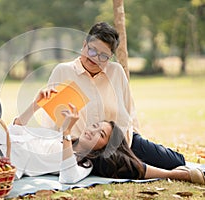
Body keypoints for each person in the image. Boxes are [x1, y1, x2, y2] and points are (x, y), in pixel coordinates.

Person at [0, 93, 204, 196]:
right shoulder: (64, 137)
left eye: (99, 133)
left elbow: (67, 178)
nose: (91, 130)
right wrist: (35, 105)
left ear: (103, 147)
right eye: (95, 125)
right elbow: (18, 130)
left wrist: (178, 173)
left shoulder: (81, 164)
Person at [43, 21, 184, 171]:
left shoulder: (116, 71)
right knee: (118, 167)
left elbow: (130, 111)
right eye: (92, 51)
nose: (95, 59)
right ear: (84, 45)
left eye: (103, 56)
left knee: (176, 161)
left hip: (122, 143)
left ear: (110, 57)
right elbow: (51, 120)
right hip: (85, 149)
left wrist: (135, 144)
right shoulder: (63, 71)